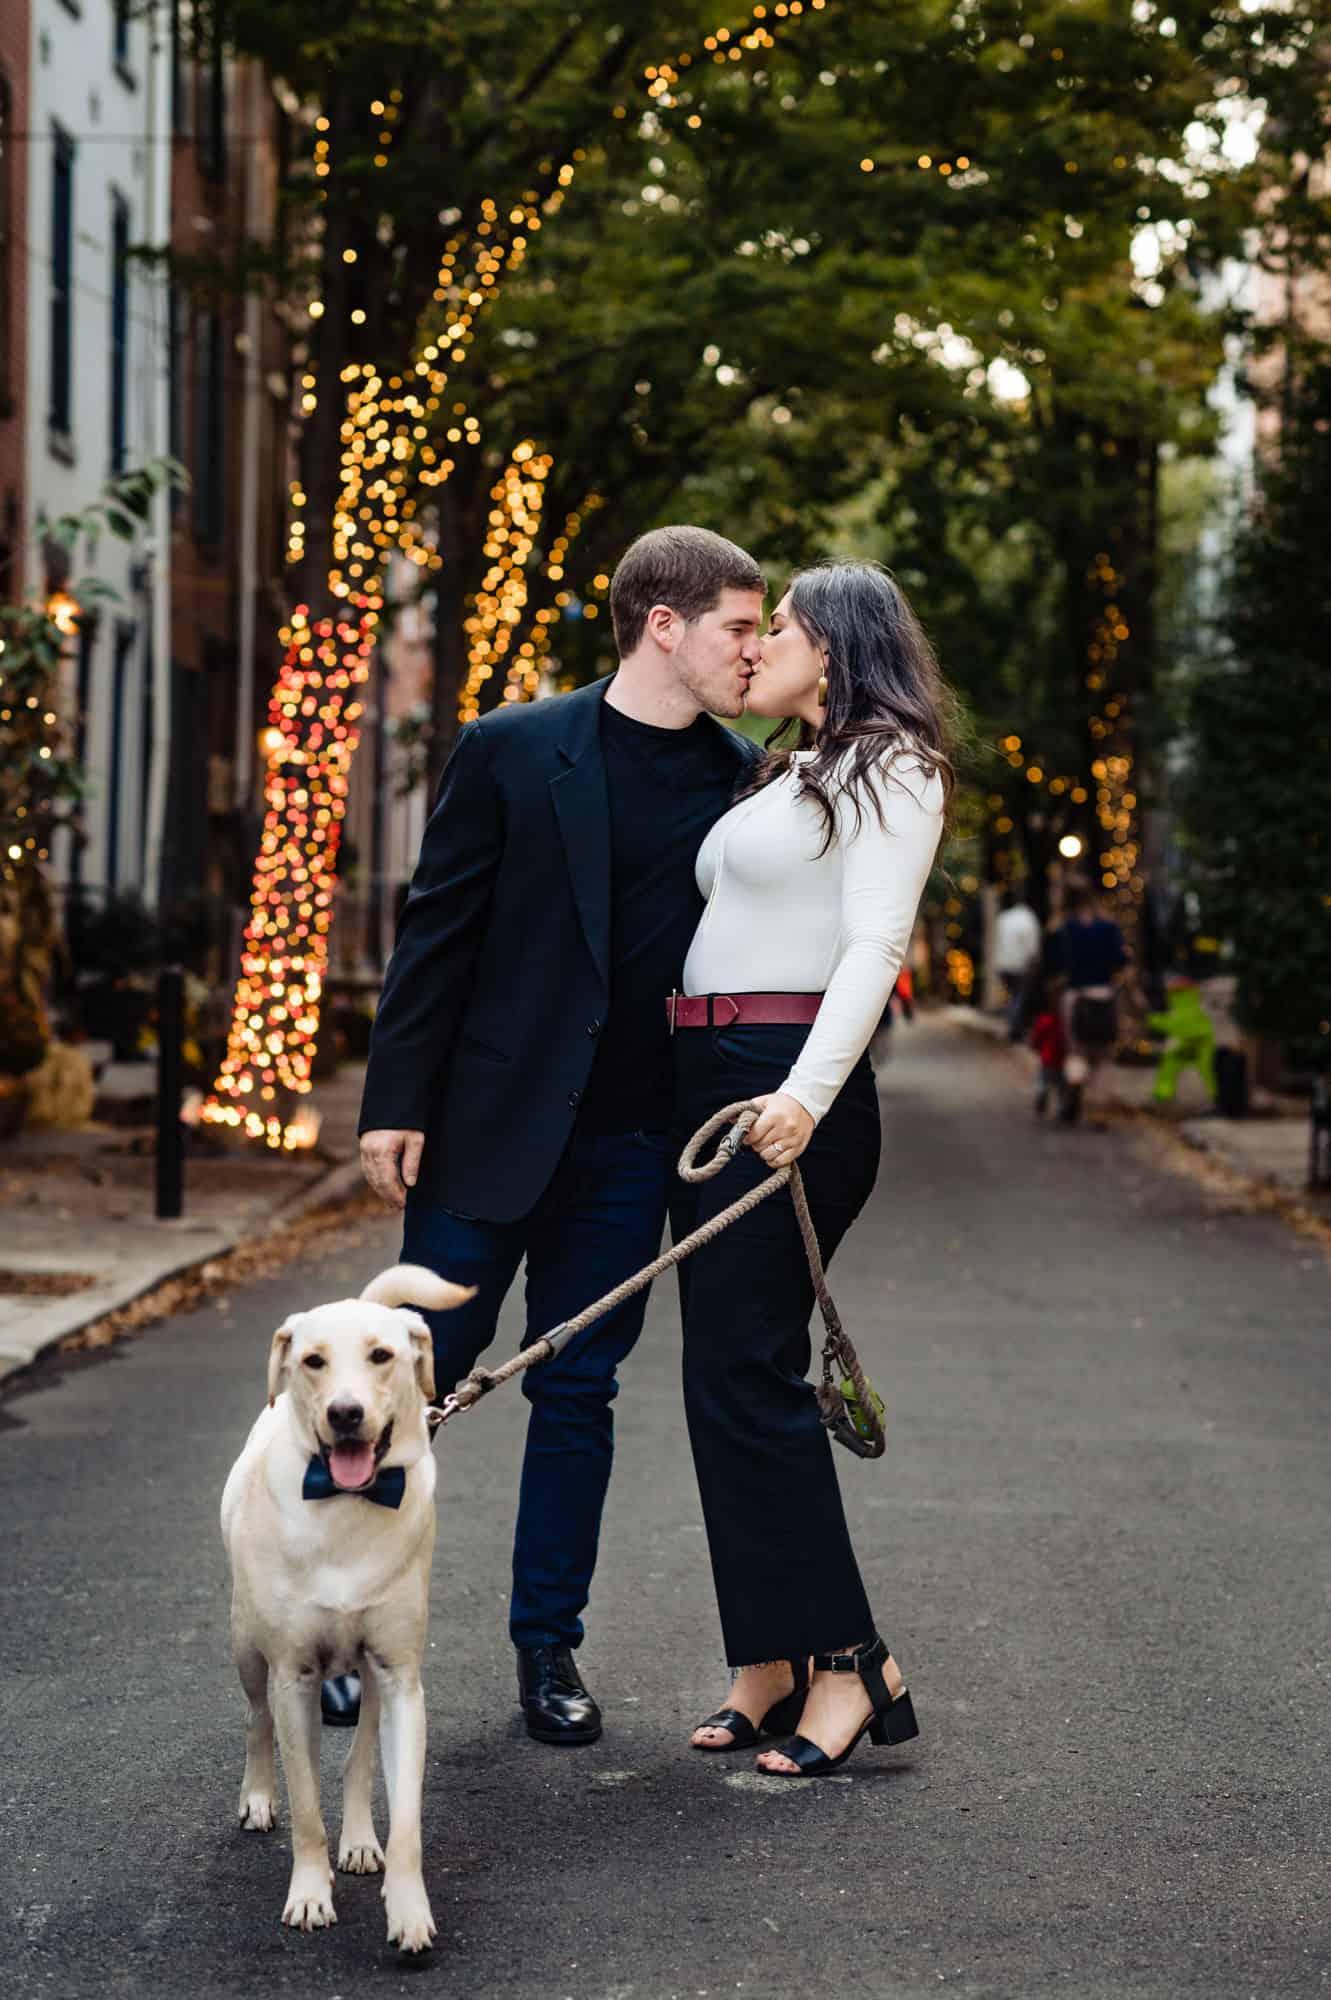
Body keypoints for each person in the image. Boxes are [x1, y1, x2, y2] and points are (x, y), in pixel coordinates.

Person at [353, 525, 766, 1744]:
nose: (752, 648)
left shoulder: (739, 778)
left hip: (632, 1144)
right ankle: (346, 1622)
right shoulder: (512, 746)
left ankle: (549, 1652)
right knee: (403, 1384)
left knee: (577, 1394)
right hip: (486, 1127)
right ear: (663, 625)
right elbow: (438, 932)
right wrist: (395, 1098)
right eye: (738, 626)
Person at [669, 559, 951, 1778]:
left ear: (832, 646)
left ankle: (849, 1664)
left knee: (749, 1373)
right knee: (718, 1376)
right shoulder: (776, 772)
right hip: (712, 1074)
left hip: (787, 1084)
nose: (754, 646)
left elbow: (872, 941)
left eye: (772, 628)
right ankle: (766, 1660)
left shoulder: (894, 765)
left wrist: (800, 1093)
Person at [1051, 878, 1129, 1127]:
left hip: (1076, 997)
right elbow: (1121, 962)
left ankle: (1073, 1085)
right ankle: (1097, 1110)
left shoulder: (1065, 928)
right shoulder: (1108, 927)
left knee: (1077, 1050)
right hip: (1104, 995)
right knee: (1103, 1056)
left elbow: (1055, 964)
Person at [994, 888, 1041, 1040]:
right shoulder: (1029, 919)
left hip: (1003, 964)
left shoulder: (1004, 917)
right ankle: (1014, 1029)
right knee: (1019, 996)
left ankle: (1012, 1025)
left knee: (1013, 996)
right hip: (1019, 965)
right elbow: (1032, 948)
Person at [1028, 978, 1067, 1117]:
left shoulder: (1045, 1019)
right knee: (1063, 1086)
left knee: (1043, 1080)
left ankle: (1041, 1093)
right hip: (1064, 1059)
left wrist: (1035, 1047)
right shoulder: (1068, 1021)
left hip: (1048, 1057)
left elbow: (1036, 1038)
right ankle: (1063, 1107)